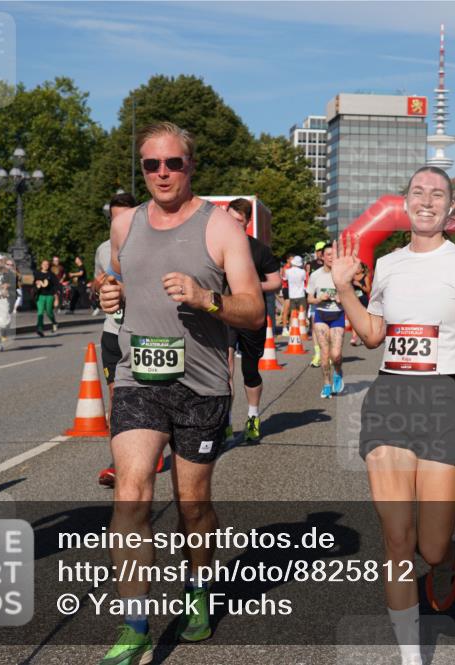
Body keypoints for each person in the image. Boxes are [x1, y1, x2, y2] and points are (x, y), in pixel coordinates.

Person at [98, 121, 263, 663]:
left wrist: (205, 298)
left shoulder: (221, 227)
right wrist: (111, 295)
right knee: (131, 492)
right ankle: (135, 628)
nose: (163, 173)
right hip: (138, 378)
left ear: (190, 166)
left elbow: (254, 309)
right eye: (152, 164)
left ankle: (198, 587)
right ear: (142, 169)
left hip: (203, 385)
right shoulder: (125, 224)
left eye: (173, 163)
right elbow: (121, 281)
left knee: (193, 506)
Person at [332, 165, 455, 665]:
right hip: (391, 397)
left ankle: (444, 562)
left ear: (451, 207)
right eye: (418, 192)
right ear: (405, 202)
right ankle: (411, 656)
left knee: (430, 545)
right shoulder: (387, 265)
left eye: (437, 194)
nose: (427, 200)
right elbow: (372, 335)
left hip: (444, 398)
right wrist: (344, 289)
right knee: (396, 539)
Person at [225, 197, 281, 443]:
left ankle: (253, 416)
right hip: (225, 314)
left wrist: (251, 286)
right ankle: (225, 421)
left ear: (247, 222)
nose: (232, 224)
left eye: (238, 220)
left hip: (251, 315)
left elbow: (276, 282)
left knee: (250, 370)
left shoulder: (259, 250)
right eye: (229, 218)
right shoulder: (215, 245)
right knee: (224, 369)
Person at [95, 192, 138, 487]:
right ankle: (118, 463)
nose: (119, 223)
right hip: (113, 332)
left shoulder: (153, 243)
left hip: (145, 335)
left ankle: (152, 446)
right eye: (114, 218)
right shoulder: (103, 249)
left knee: (150, 399)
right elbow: (99, 283)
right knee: (117, 399)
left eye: (125, 217)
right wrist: (99, 287)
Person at [307, 244, 346, 398]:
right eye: (328, 254)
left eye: (334, 255)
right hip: (321, 315)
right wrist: (319, 299)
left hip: (338, 315)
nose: (331, 257)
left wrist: (341, 298)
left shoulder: (342, 275)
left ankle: (338, 372)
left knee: (335, 354)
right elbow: (309, 299)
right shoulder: (315, 275)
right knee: (324, 353)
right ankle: (326, 384)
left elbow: (350, 297)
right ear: (322, 257)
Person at [308, 240, 327, 366]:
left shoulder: (331, 265)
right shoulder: (311, 265)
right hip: (315, 300)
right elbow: (309, 282)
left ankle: (327, 353)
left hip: (328, 301)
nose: (321, 253)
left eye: (323, 250)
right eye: (319, 250)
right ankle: (317, 354)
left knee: (326, 328)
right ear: (316, 252)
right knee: (315, 327)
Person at [33, 259, 58, 337]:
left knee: (49, 312)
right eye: (44, 264)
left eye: (47, 264)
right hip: (40, 295)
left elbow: (56, 286)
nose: (45, 266)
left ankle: (54, 322)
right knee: (40, 312)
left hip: (49, 295)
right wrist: (36, 284)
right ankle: (40, 329)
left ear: (49, 266)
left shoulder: (51, 275)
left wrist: (56, 298)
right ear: (41, 265)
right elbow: (33, 283)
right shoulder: (37, 273)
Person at [349, 263, 372, 346]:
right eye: (356, 267)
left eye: (359, 267)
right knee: (354, 319)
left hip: (363, 300)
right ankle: (354, 337)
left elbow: (368, 290)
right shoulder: (351, 277)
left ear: (362, 269)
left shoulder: (365, 277)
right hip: (354, 300)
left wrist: (359, 285)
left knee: (364, 320)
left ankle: (363, 337)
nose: (357, 269)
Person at [284, 255, 307, 334]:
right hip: (301, 294)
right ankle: (301, 330)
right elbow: (304, 279)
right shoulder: (303, 271)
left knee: (292, 313)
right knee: (301, 313)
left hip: (292, 295)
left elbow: (285, 279)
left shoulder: (288, 271)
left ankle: (291, 329)